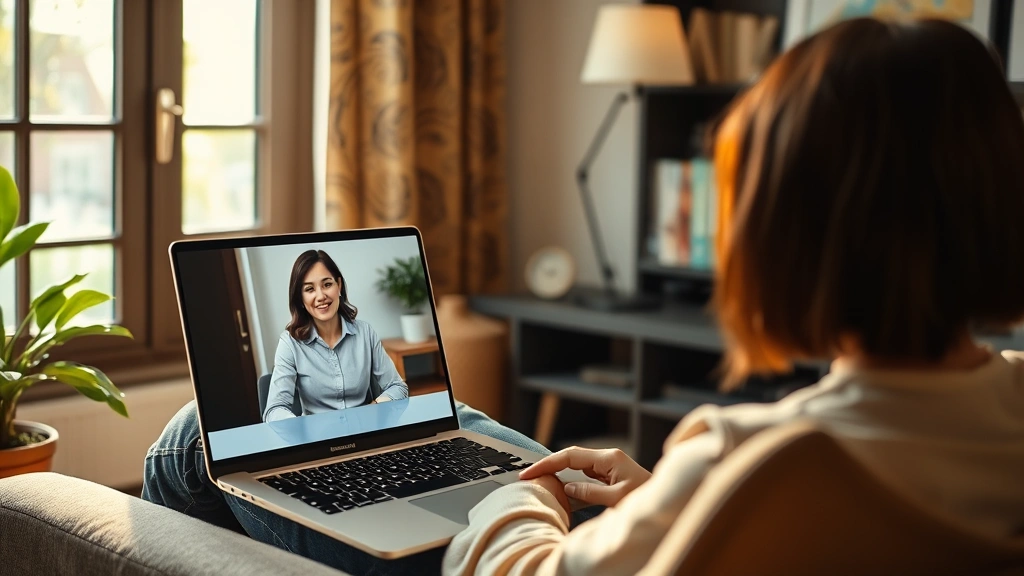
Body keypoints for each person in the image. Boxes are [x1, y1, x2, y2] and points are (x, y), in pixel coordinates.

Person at [144, 16, 1024, 575]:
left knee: (193, 440)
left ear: (783, 237)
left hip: (514, 546)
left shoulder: (753, 458)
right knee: (463, 430)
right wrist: (665, 499)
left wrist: (517, 500)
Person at [262, 249, 409, 422]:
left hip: (366, 432)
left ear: (338, 285)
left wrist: (373, 407)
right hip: (319, 441)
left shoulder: (365, 333)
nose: (321, 296)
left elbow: (398, 387)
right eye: (309, 289)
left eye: (327, 284)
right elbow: (274, 410)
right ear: (300, 298)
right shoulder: (290, 343)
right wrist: (302, 430)